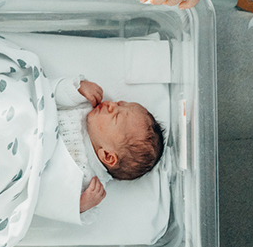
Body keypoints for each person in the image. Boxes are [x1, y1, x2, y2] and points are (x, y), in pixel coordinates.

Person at [35, 77, 165, 222]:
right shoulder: (83, 108)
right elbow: (49, 95)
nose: (111, 105)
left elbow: (48, 202)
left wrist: (81, 204)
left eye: (115, 116)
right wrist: (77, 89)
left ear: (108, 156)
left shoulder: (90, 183)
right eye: (119, 104)